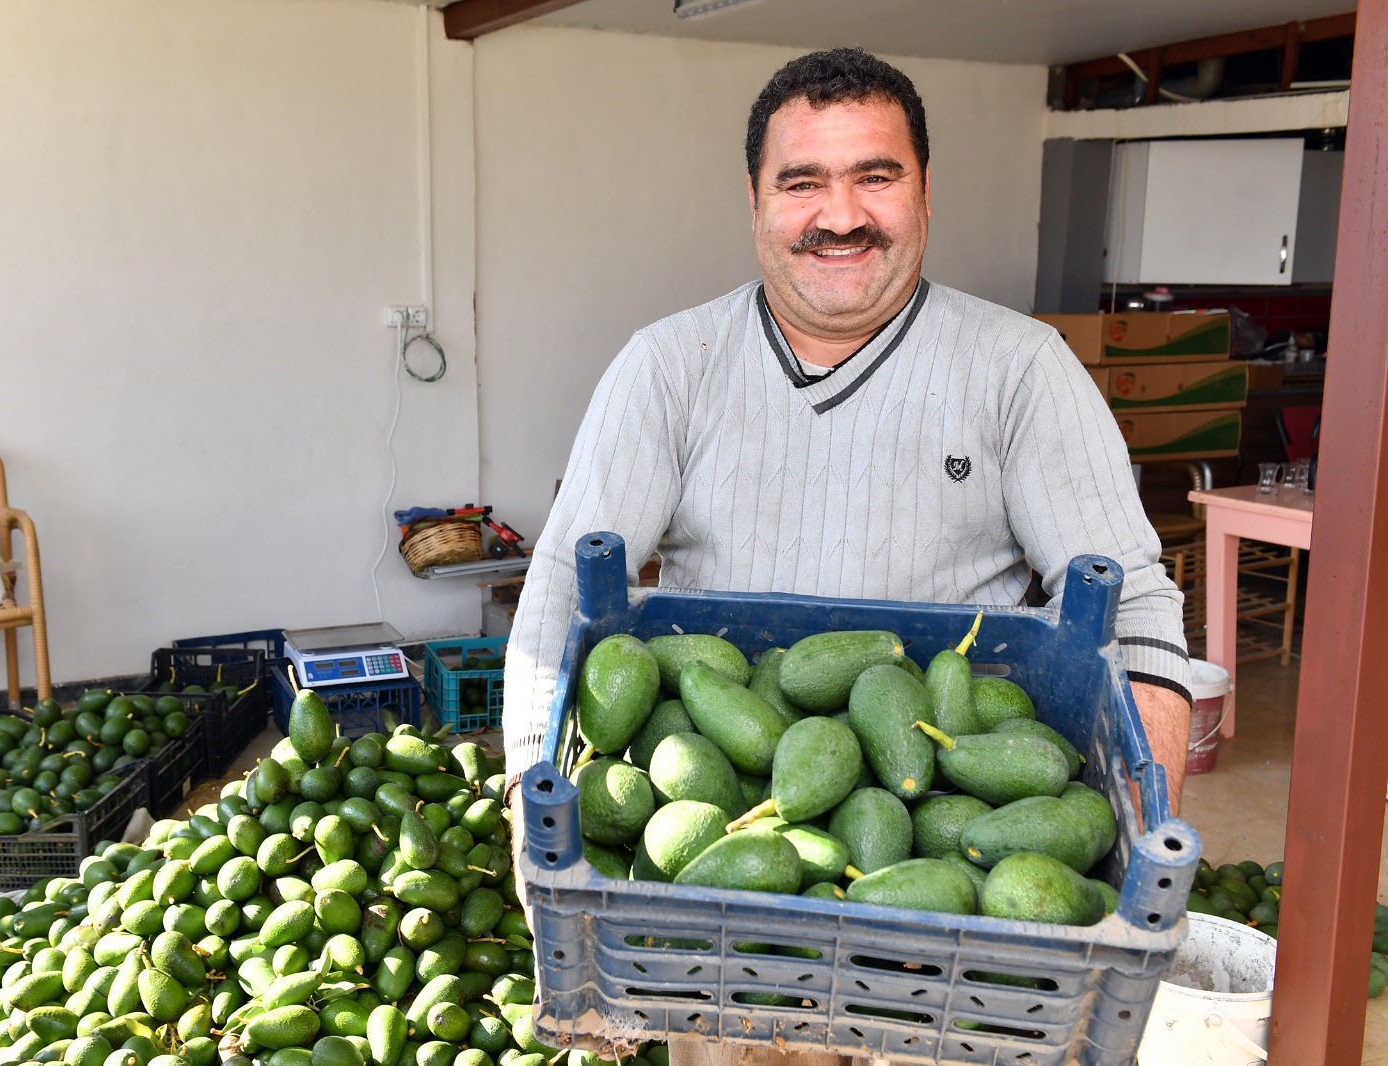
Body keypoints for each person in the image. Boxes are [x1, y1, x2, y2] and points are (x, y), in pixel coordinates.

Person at [501, 45, 1191, 1064]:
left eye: (876, 175)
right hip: (731, 918)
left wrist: (1135, 846)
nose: (841, 213)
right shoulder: (667, 370)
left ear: (923, 190)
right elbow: (559, 599)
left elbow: (1132, 613)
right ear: (753, 201)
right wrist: (532, 800)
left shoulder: (1021, 372)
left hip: (954, 931)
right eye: (802, 181)